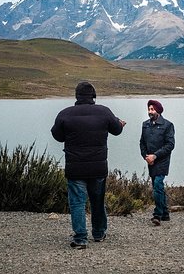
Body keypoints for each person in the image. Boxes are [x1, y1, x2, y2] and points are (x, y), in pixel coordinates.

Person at [51, 81, 126, 249]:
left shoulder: (65, 114)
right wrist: (120, 124)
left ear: (77, 96)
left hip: (75, 167)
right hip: (98, 167)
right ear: (93, 96)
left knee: (77, 202)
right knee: (97, 201)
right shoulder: (104, 112)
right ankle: (99, 233)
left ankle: (80, 238)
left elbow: (57, 135)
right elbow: (117, 130)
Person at [139, 99, 175, 226]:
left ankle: (157, 214)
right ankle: (165, 213)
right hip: (150, 161)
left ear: (158, 111)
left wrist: (155, 156)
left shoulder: (167, 125)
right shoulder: (145, 125)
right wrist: (146, 156)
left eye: (152, 109)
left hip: (162, 160)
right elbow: (142, 142)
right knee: (156, 186)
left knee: (158, 184)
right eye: (149, 109)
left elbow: (170, 145)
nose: (150, 111)